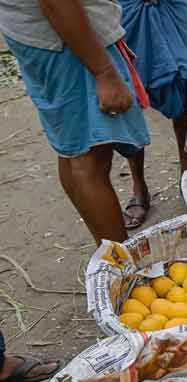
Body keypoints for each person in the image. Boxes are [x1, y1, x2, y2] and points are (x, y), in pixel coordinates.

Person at [0, 0, 151, 244]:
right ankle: (122, 269)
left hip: (44, 35)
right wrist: (104, 72)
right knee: (90, 158)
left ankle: (110, 258)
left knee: (74, 151)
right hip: (69, 39)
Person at [120, 0, 187, 228]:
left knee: (182, 84)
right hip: (126, 10)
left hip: (170, 8)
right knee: (129, 93)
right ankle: (139, 187)